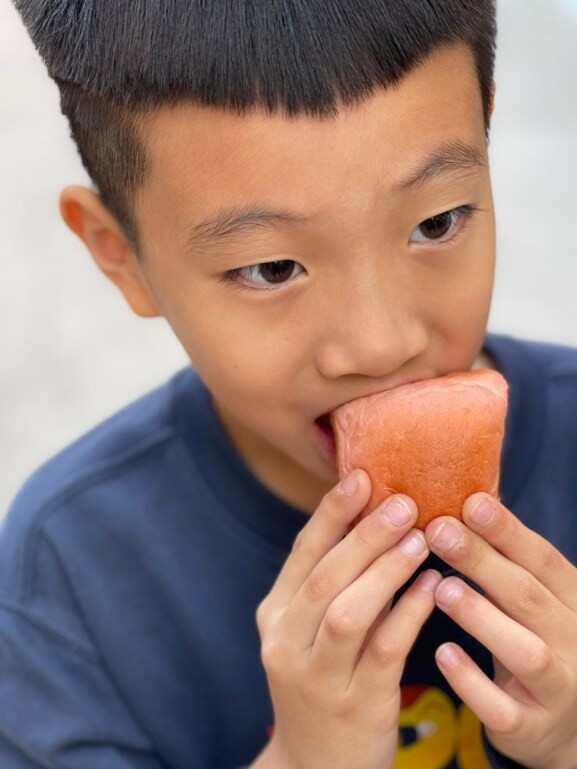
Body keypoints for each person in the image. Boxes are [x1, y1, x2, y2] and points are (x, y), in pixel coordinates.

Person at [2, 0, 576, 767]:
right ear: (122, 255)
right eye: (273, 268)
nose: (380, 345)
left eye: (435, 222)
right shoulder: (71, 565)